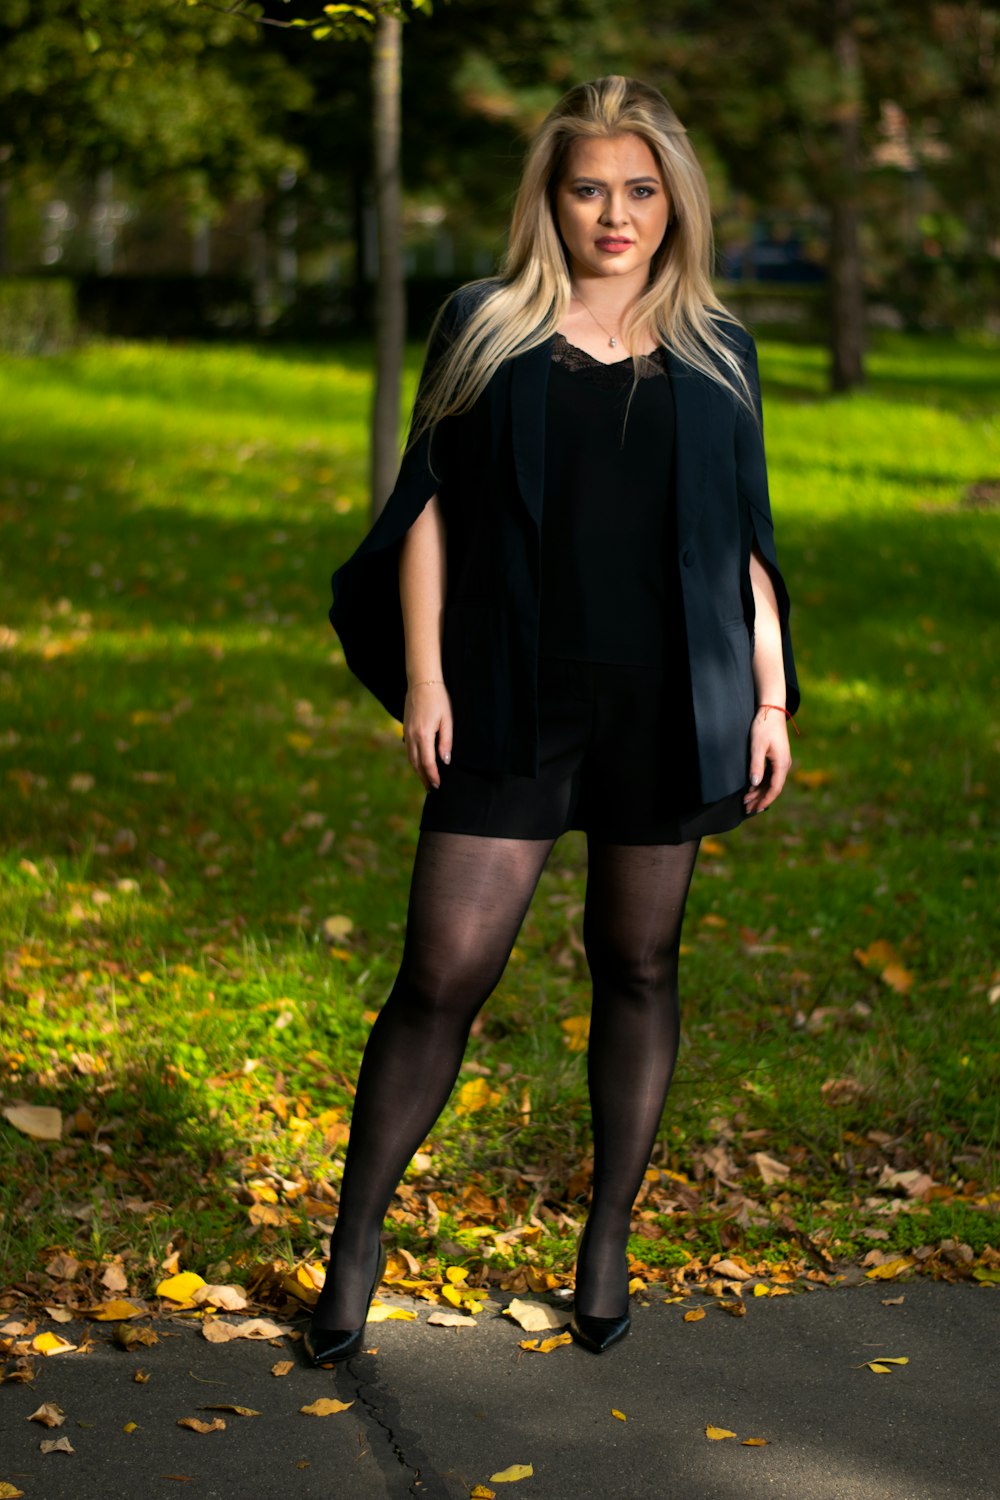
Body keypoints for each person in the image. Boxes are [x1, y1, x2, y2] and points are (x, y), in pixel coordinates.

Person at [311, 74, 799, 1363]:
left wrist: (771, 695)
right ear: (552, 196)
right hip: (513, 693)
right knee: (441, 976)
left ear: (674, 200)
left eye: (641, 190)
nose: (616, 214)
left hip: (669, 702)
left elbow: (746, 546)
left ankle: (606, 1232)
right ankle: (356, 1241)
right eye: (591, 188)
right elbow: (426, 509)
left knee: (638, 964)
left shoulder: (718, 346)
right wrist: (425, 680)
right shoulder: (487, 324)